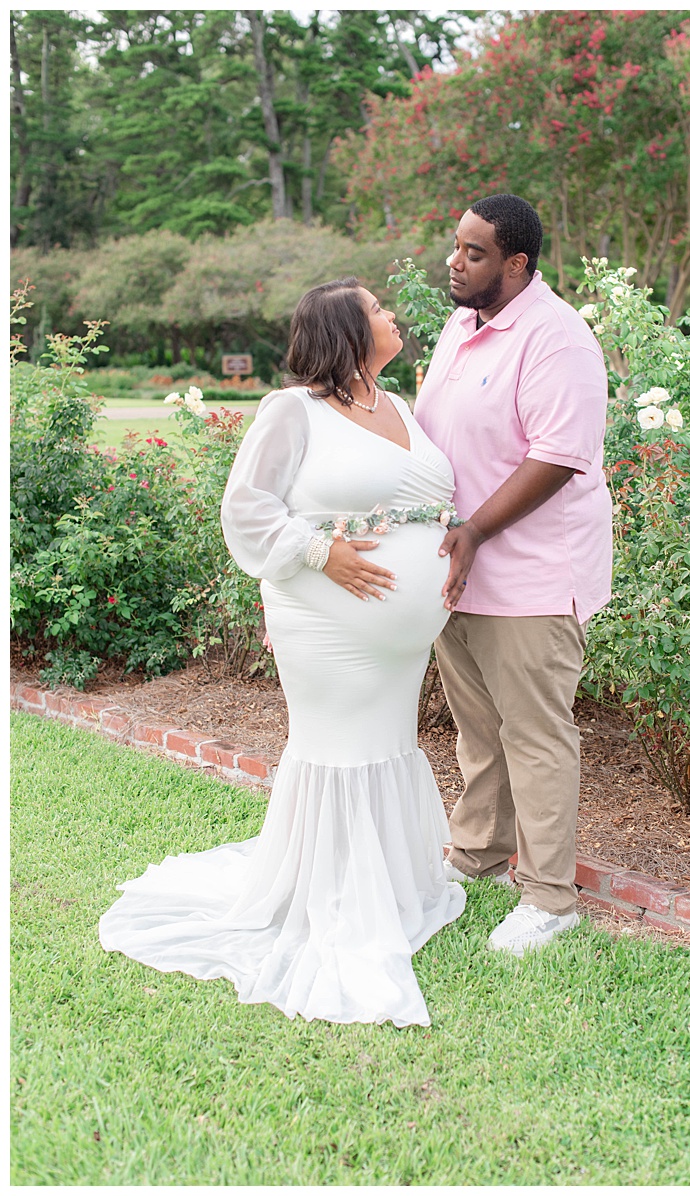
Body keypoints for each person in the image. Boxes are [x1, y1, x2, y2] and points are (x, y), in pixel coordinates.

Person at [99, 280, 467, 1027]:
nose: (392, 316)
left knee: (387, 741)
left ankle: (392, 885)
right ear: (345, 331)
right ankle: (326, 896)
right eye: (376, 310)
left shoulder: (398, 403)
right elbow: (247, 507)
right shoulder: (290, 411)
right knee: (337, 745)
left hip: (398, 642)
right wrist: (318, 550)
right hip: (324, 621)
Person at [414, 194, 612, 957]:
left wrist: (474, 532)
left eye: (473, 253)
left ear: (517, 264)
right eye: (456, 247)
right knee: (480, 730)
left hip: (529, 575)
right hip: (459, 570)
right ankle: (476, 857)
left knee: (535, 738)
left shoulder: (555, 337)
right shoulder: (462, 325)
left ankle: (551, 900)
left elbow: (558, 459)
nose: (455, 262)